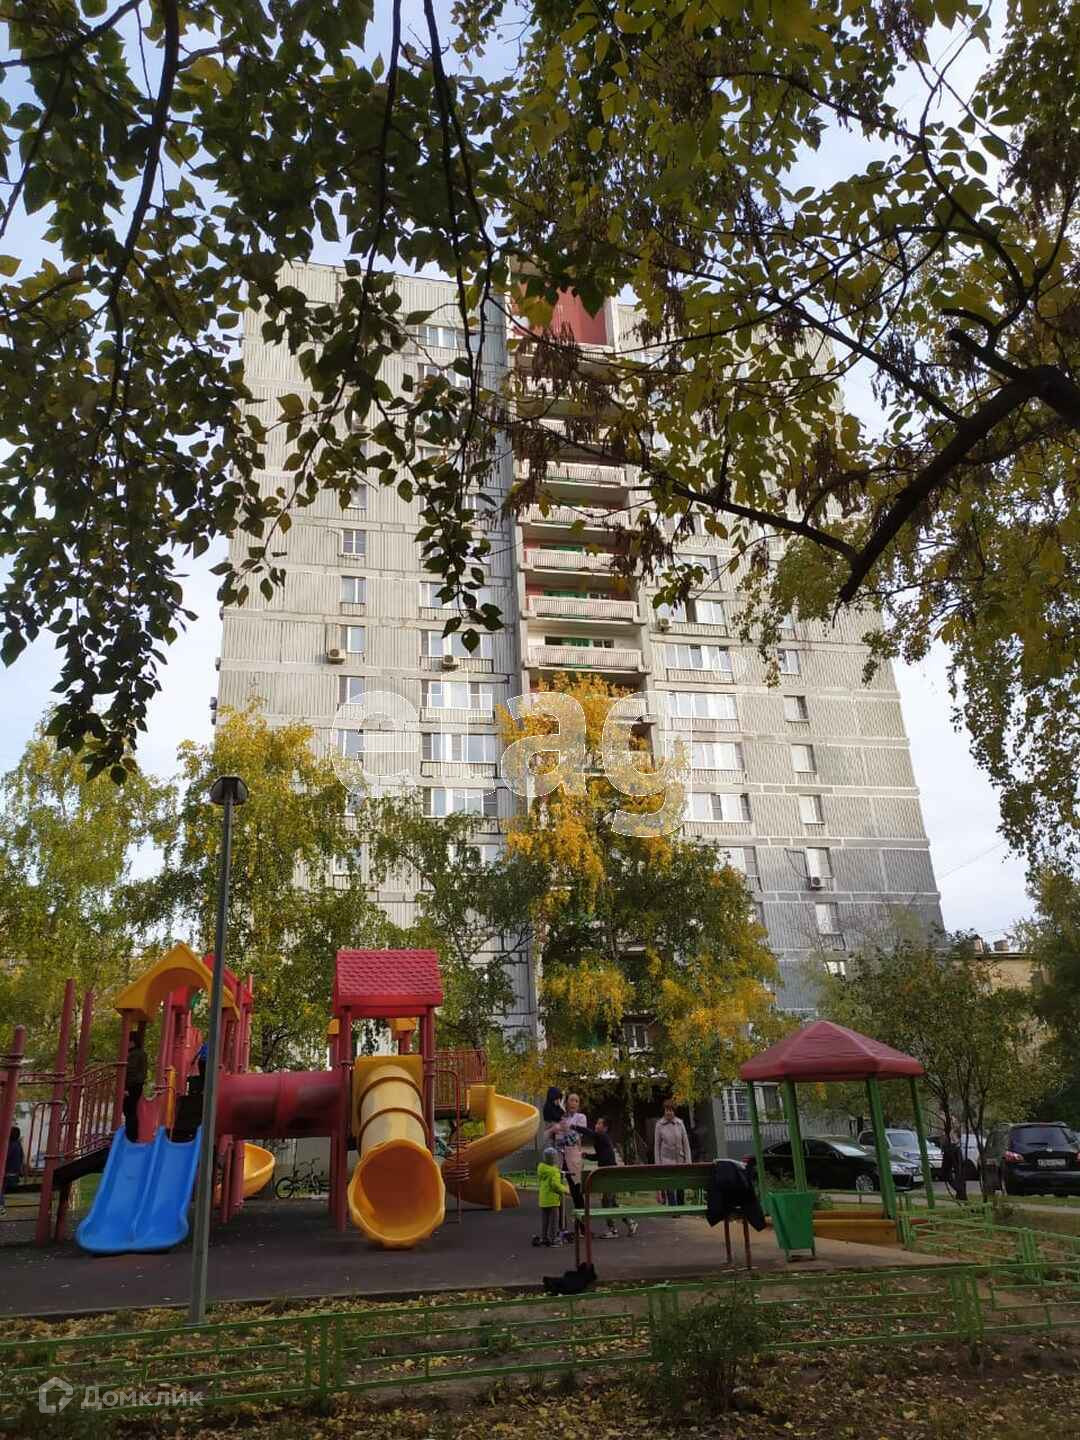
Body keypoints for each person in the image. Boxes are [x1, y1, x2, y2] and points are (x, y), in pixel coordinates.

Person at [582, 1117, 637, 1238]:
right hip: (607, 1172)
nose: (596, 1125)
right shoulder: (600, 1139)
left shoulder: (602, 1136)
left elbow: (589, 1133)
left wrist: (574, 1127)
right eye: (596, 1122)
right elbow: (599, 1156)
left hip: (609, 1173)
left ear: (605, 1128)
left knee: (607, 1201)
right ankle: (629, 1222)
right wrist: (587, 1156)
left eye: (599, 1123)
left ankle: (613, 1229)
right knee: (611, 1202)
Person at [654, 1100, 691, 1205]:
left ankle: (681, 1208)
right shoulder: (659, 1125)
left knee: (680, 1188)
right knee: (670, 1188)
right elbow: (656, 1147)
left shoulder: (680, 1123)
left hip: (680, 1161)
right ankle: (673, 1209)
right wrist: (658, 1165)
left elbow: (686, 1144)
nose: (668, 1112)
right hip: (666, 1162)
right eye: (667, 1110)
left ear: (674, 1111)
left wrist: (688, 1162)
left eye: (670, 1110)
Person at [536, 1145, 569, 1246]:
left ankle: (544, 1237)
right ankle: (553, 1239)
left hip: (543, 1198)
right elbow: (555, 1185)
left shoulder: (541, 1168)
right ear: (554, 1159)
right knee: (554, 1220)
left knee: (545, 1220)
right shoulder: (554, 1171)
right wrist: (564, 1190)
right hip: (553, 1199)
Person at [123, 1032, 148, 1142]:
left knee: (129, 1110)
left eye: (128, 1042)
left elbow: (130, 1070)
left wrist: (126, 1087)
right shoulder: (142, 1053)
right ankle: (132, 1135)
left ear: (132, 1042)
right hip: (137, 1084)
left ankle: (131, 1135)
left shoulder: (133, 1054)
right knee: (131, 1109)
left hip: (132, 1085)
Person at [1, 1126, 24, 1215]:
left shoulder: (10, 1145)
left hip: (8, 1173)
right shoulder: (18, 1144)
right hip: (14, 1174)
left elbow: (5, 1157)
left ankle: (1, 1208)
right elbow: (21, 1158)